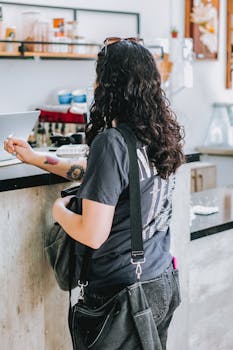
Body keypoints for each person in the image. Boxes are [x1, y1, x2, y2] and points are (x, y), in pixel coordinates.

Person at [4, 37, 185, 349]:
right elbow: (97, 173)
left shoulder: (112, 142)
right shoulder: (157, 135)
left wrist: (58, 210)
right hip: (160, 279)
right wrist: (35, 158)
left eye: (99, 76)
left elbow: (92, 234)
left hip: (122, 296)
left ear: (110, 85)